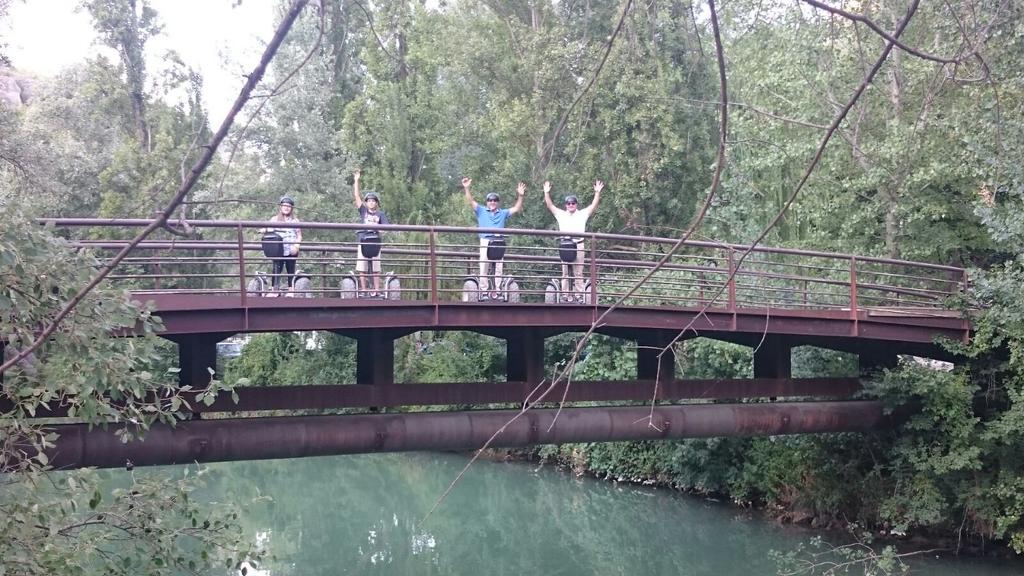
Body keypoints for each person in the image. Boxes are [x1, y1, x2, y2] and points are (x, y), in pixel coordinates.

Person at [463, 176, 525, 299]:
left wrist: (521, 195)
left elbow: (517, 208)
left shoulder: (502, 213)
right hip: (486, 240)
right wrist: (467, 188)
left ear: (498, 202)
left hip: (498, 241)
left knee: (498, 267)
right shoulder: (481, 210)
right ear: (487, 202)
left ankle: (497, 290)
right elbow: (471, 201)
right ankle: (484, 290)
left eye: (495, 200)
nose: (492, 202)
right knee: (484, 265)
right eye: (490, 200)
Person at [543, 179, 603, 302]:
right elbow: (550, 205)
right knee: (565, 272)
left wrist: (597, 192)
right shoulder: (561, 214)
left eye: (573, 203)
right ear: (566, 205)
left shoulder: (582, 214)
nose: (571, 205)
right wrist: (546, 193)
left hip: (578, 245)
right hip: (565, 246)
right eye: (569, 203)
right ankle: (565, 295)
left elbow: (594, 205)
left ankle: (579, 295)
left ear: (576, 204)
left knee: (578, 273)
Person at [352, 169, 391, 297]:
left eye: (373, 201)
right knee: (362, 267)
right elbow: (357, 197)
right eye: (369, 201)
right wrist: (356, 180)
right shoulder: (363, 211)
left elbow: (385, 228)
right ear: (367, 202)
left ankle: (376, 290)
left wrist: (377, 227)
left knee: (375, 268)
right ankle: (363, 290)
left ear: (376, 203)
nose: (371, 202)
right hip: (363, 240)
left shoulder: (381, 214)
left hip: (375, 242)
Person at [263, 195, 302, 295]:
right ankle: (275, 291)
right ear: (280, 207)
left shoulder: (295, 221)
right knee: (276, 269)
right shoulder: (274, 219)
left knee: (290, 269)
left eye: (288, 206)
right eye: (284, 205)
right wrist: (264, 230)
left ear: (291, 208)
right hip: (278, 249)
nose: (286, 208)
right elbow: (269, 232)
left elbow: (299, 236)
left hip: (291, 249)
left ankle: (291, 291)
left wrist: (296, 246)